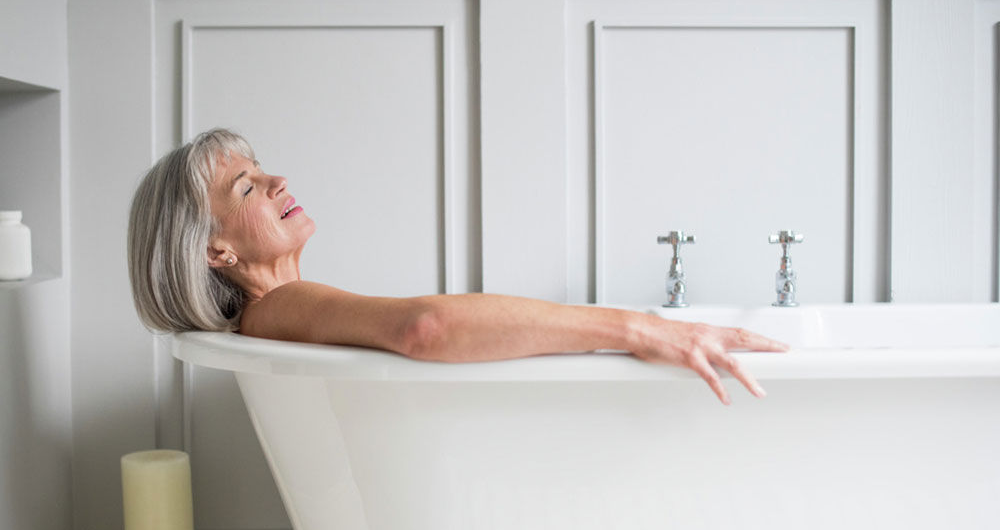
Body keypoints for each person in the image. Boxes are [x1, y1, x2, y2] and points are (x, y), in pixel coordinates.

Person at [128, 128, 787, 405]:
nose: (277, 180)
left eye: (261, 167)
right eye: (246, 187)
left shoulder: (281, 317)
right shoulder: (274, 310)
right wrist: (643, 329)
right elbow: (427, 328)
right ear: (218, 253)